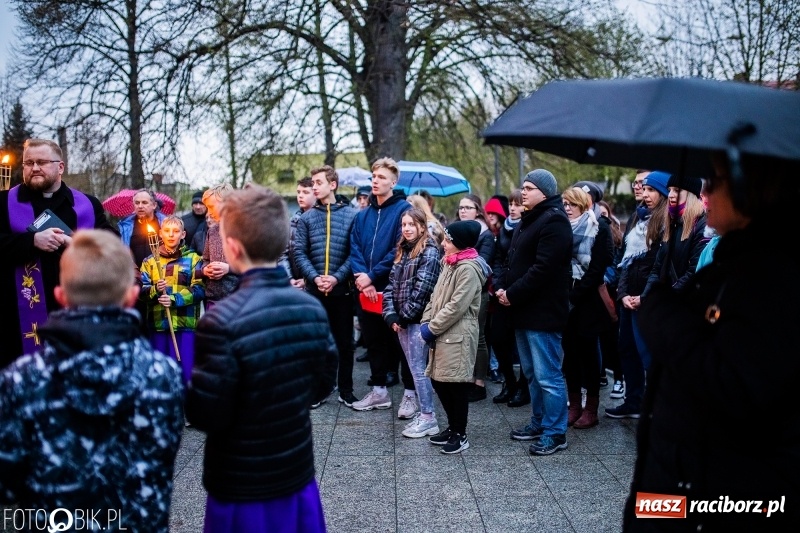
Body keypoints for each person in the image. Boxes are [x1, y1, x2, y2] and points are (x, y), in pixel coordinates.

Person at [624, 153, 800, 531]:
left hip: (720, 496)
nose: (703, 193)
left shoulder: (773, 279)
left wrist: (662, 318)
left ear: (753, 190)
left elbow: (737, 385)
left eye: (714, 182)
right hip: (679, 478)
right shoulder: (733, 261)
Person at [0, 229, 184, 530]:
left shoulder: (21, 379)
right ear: (132, 295)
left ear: (60, 296)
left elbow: (6, 483)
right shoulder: (163, 375)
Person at [187, 184, 337, 533]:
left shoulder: (219, 321)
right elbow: (321, 385)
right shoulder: (311, 308)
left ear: (233, 248)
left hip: (242, 484)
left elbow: (206, 413)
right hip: (295, 470)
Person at [0, 138, 116, 366]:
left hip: (75, 311)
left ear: (60, 167)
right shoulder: (3, 203)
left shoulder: (87, 205)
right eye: (28, 163)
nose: (34, 168)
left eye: (41, 162)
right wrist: (31, 241)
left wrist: (74, 241)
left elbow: (112, 245)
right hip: (16, 317)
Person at [496, 169, 573, 456]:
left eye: (528, 187)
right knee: (531, 373)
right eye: (523, 187)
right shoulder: (527, 221)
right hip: (522, 311)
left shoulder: (554, 221)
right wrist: (502, 287)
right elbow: (509, 260)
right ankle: (539, 422)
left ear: (545, 191)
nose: (523, 192)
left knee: (548, 375)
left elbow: (543, 269)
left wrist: (512, 293)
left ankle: (556, 433)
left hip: (543, 313)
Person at [605, 171, 669, 420]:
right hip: (628, 298)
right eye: (641, 187)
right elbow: (625, 262)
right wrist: (622, 295)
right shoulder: (636, 217)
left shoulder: (667, 223)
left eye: (650, 188)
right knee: (627, 350)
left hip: (648, 299)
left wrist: (643, 296)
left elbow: (659, 267)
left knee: (648, 354)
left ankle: (658, 405)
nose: (644, 192)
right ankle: (634, 401)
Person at [350, 157, 412, 412]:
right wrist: (362, 278)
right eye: (374, 177)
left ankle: (411, 394)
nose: (376, 181)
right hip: (366, 290)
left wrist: (372, 276)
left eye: (382, 177)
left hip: (393, 288)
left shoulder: (403, 211)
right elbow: (354, 247)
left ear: (394, 182)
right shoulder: (362, 215)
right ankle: (379, 392)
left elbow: (400, 248)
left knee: (401, 342)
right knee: (373, 340)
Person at [294, 165, 358, 408]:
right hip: (315, 291)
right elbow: (299, 252)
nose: (314, 187)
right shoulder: (306, 218)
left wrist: (336, 278)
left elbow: (355, 253)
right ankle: (319, 390)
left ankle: (346, 389)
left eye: (318, 182)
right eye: (313, 182)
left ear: (332, 185)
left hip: (341, 291)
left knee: (345, 342)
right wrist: (315, 277)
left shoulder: (352, 215)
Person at [421, 220, 486, 454]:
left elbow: (456, 306)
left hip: (457, 334)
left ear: (459, 244)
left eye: (448, 240)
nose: (443, 243)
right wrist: (426, 321)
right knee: (439, 379)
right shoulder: (449, 263)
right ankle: (452, 426)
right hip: (442, 331)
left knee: (455, 383)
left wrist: (432, 327)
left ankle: (460, 432)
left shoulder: (468, 268)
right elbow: (435, 297)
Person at [383, 208, 442, 436]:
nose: (406, 228)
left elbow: (423, 289)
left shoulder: (428, 251)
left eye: (411, 224)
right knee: (413, 367)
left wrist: (404, 317)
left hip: (416, 320)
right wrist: (391, 316)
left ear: (421, 226)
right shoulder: (402, 250)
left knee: (419, 369)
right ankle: (425, 413)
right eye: (404, 224)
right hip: (401, 321)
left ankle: (429, 417)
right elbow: (390, 286)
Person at [561, 186, 614, 429]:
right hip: (566, 297)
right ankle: (574, 405)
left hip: (588, 298)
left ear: (584, 205)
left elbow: (599, 266)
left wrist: (576, 294)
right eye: (565, 203)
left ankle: (591, 408)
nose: (568, 208)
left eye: (572, 204)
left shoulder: (599, 227)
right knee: (569, 353)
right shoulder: (562, 227)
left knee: (589, 354)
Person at [140, 215, 205, 385]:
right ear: (160, 233)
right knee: (161, 373)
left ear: (183, 234)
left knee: (186, 371)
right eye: (167, 231)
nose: (171, 235)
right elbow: (141, 291)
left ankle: (186, 406)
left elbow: (199, 290)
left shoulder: (194, 259)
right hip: (159, 324)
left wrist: (175, 299)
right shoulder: (149, 262)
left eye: (175, 231)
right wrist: (155, 290)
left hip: (185, 324)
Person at [491, 189, 529, 406]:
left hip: (520, 293)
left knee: (522, 342)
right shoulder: (503, 230)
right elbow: (498, 260)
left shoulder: (527, 227)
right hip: (502, 291)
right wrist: (498, 286)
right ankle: (509, 382)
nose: (513, 208)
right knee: (498, 338)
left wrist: (513, 291)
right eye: (511, 204)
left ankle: (524, 387)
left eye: (518, 204)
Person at [456, 193, 494, 402]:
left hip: (478, 292)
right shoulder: (455, 232)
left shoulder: (486, 235)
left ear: (478, 210)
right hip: (459, 293)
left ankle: (479, 382)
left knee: (478, 337)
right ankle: (466, 378)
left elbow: (483, 265)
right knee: (464, 337)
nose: (463, 211)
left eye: (468, 207)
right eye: (461, 207)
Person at [200, 184, 239, 311]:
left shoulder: (245, 230)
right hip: (213, 299)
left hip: (237, 299)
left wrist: (228, 268)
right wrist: (206, 269)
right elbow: (205, 259)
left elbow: (255, 264)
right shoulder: (212, 231)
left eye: (211, 206)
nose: (209, 212)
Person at [281, 176, 315, 287]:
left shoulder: (321, 221)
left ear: (315, 194)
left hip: (315, 285)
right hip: (294, 284)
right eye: (298, 192)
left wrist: (307, 280)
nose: (300, 195)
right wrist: (289, 278)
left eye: (305, 192)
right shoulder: (292, 222)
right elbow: (283, 254)